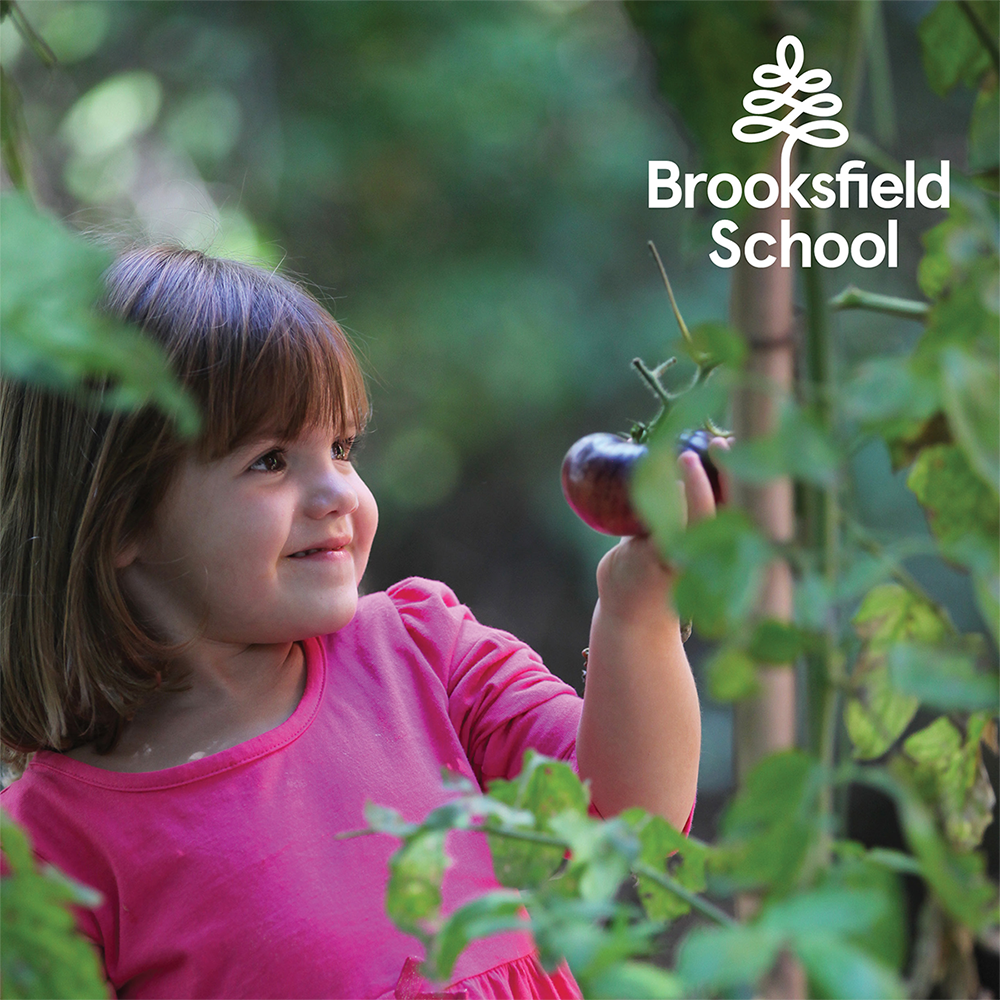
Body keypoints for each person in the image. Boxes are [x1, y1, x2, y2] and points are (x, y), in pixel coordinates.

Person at [0, 247, 719, 999]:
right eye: (271, 460)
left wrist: (636, 611)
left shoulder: (422, 653)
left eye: (340, 448)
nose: (335, 491)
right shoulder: (44, 855)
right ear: (118, 517)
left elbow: (631, 814)